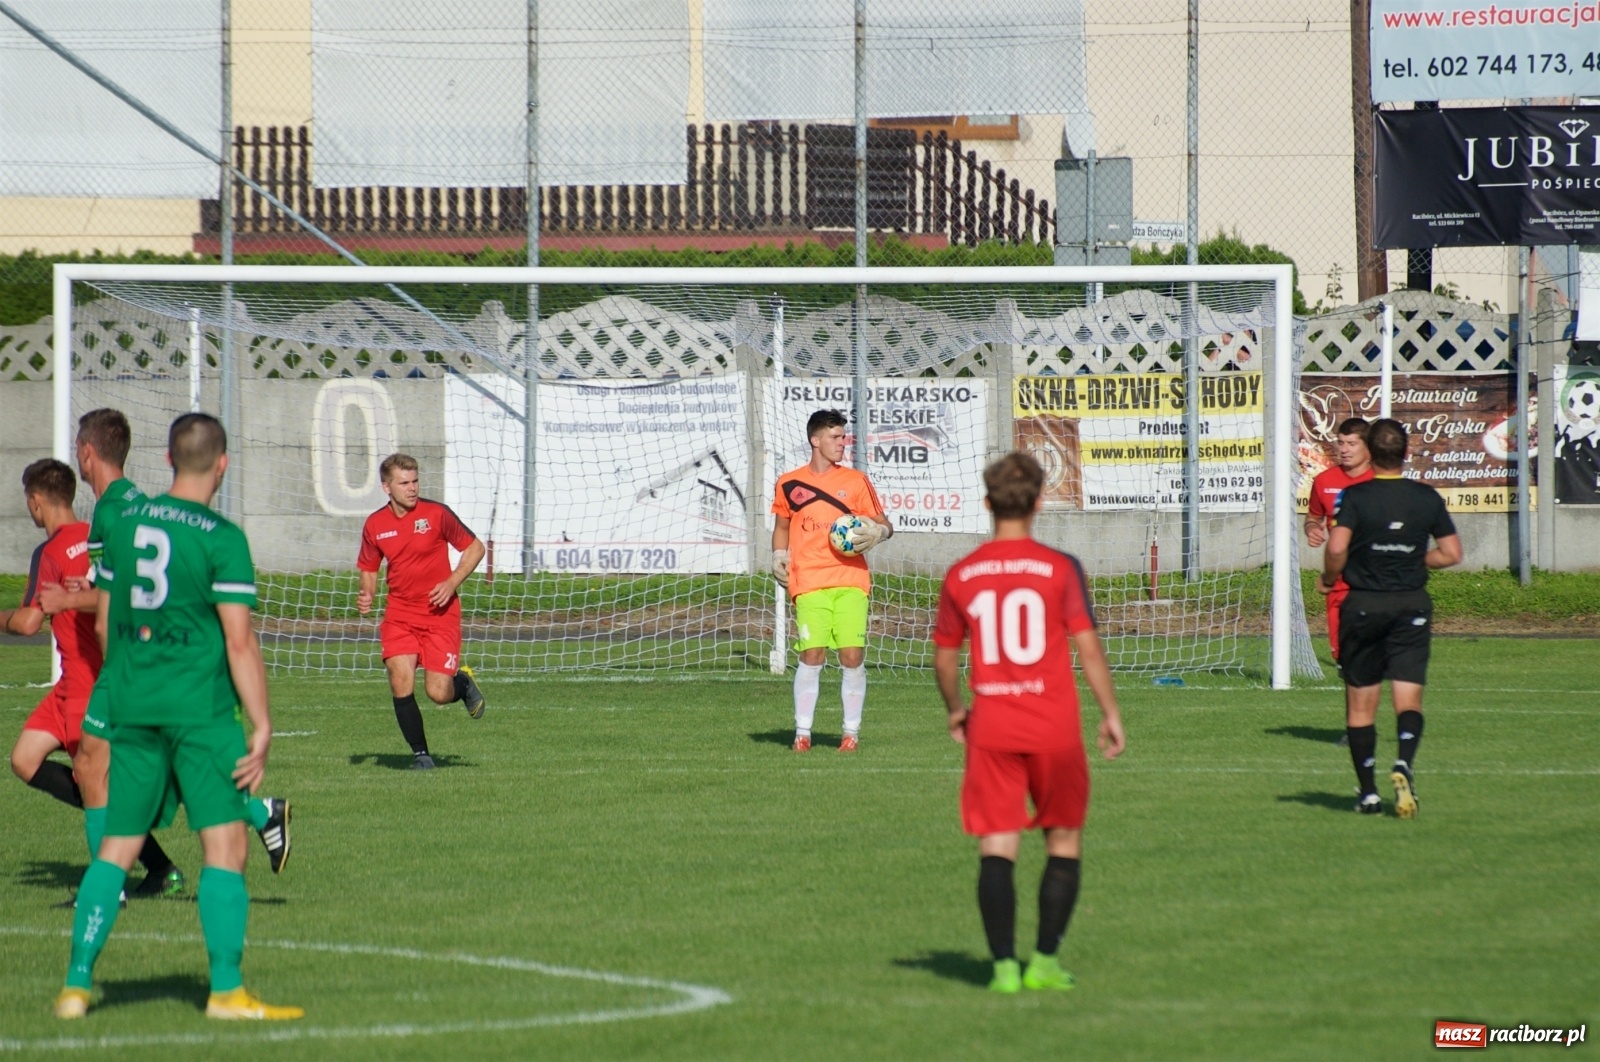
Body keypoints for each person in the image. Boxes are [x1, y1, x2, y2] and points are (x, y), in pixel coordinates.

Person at [56, 413, 302, 1020]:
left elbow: (104, 619)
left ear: (168, 458)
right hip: (200, 710)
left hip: (133, 704)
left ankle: (77, 986)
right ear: (223, 465)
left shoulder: (126, 523)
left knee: (117, 846)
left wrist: (129, 683)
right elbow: (239, 642)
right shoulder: (222, 538)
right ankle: (226, 991)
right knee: (225, 846)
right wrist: (262, 724)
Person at [41, 408, 291, 878]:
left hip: (132, 664)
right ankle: (258, 815)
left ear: (86, 452)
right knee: (111, 763)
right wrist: (87, 589)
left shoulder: (116, 512)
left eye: (77, 447)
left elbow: (126, 601)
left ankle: (116, 882)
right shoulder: (131, 502)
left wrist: (71, 599)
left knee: (102, 767)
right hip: (143, 663)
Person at [932, 451, 1126, 993]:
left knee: (997, 845)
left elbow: (944, 660)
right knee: (1062, 841)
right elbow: (1088, 649)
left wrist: (955, 709)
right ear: (1040, 502)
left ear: (987, 502)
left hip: (992, 726)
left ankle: (1002, 969)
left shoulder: (962, 573)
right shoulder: (1060, 568)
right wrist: (1110, 713)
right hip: (1053, 728)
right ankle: (1043, 962)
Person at [1318, 418, 1462, 818]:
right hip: (1411, 605)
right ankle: (1404, 762)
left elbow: (1336, 548)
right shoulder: (1426, 497)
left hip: (1364, 604)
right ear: (1406, 453)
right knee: (1408, 697)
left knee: (1361, 704)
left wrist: (1329, 578)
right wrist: (1415, 560)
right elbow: (1451, 553)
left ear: (1370, 452)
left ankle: (1368, 793)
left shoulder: (1354, 496)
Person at [770, 409, 892, 752]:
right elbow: (781, 527)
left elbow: (885, 522)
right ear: (815, 440)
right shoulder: (789, 483)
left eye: (843, 437)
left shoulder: (856, 481)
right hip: (808, 580)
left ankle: (850, 734)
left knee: (852, 656)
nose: (842, 443)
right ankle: (802, 734)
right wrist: (778, 556)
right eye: (835, 437)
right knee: (812, 654)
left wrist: (878, 532)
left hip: (851, 580)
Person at [356, 453, 486, 769]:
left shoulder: (437, 514)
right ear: (386, 487)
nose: (412, 488)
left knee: (438, 692)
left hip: (440, 615)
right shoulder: (375, 524)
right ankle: (421, 755)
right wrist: (368, 592)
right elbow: (369, 566)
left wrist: (452, 582)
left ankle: (463, 684)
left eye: (415, 481)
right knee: (400, 680)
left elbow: (475, 548)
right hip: (400, 616)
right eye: (404, 483)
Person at [4, 461, 104, 862]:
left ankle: (152, 867)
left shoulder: (49, 551)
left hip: (84, 685)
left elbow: (28, 623)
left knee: (96, 783)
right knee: (24, 759)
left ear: (36, 500)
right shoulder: (97, 538)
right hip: (75, 684)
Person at [1304, 417, 1374, 664]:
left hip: (1376, 571)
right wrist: (1312, 528)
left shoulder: (1380, 480)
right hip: (1340, 570)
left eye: (1352, 444)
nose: (1345, 449)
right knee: (1342, 654)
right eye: (1341, 443)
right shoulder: (1324, 481)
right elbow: (1313, 516)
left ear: (1368, 447)